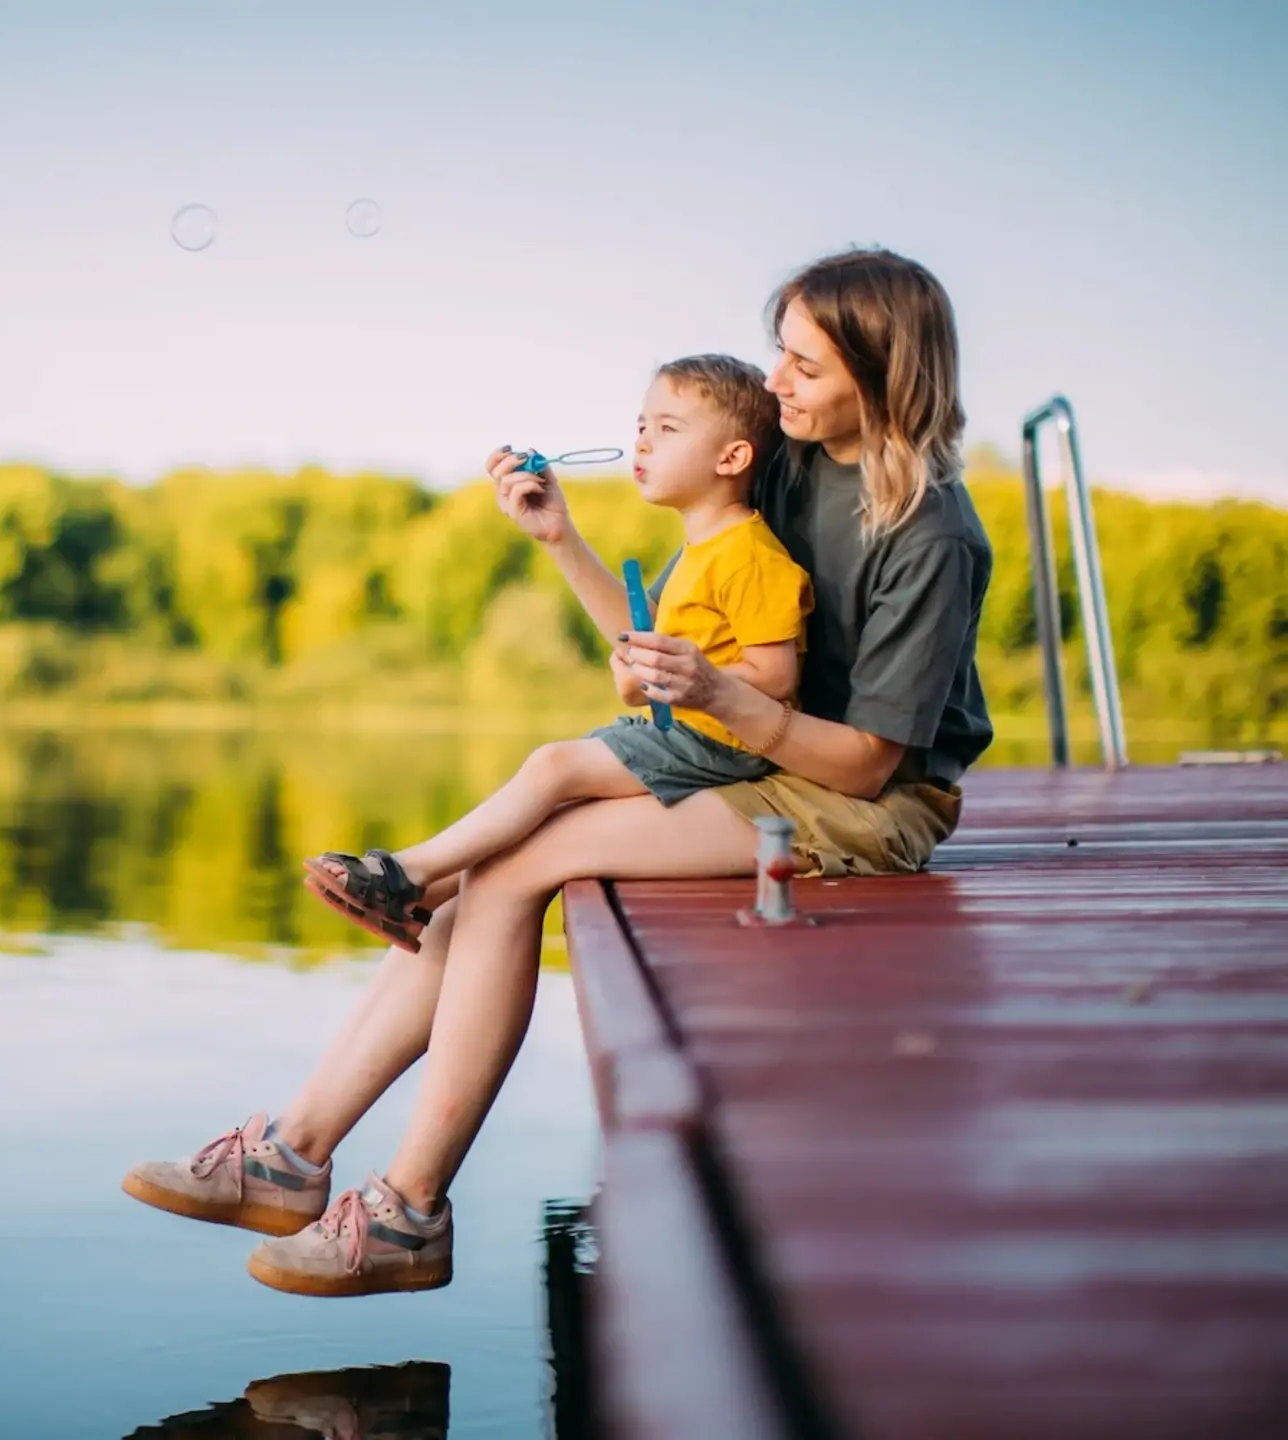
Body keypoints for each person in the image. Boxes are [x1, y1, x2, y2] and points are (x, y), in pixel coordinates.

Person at [120, 248, 995, 1299]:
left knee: (510, 870)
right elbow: (657, 653)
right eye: (780, 354)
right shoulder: (790, 465)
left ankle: (404, 1210)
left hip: (860, 803)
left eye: (805, 365)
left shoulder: (930, 532)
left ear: (886, 370)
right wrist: (562, 540)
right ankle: (293, 1156)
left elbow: (864, 764)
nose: (775, 384)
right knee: (487, 866)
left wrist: (722, 698)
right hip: (745, 750)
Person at [301, 354, 812, 955]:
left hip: (724, 748)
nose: (643, 441)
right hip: (693, 738)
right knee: (555, 792)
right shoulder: (701, 551)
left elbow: (776, 677)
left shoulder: (751, 557)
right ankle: (421, 898)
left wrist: (681, 679)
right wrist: (646, 673)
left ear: (732, 458)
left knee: (553, 768)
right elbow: (661, 661)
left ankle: (405, 873)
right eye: (642, 425)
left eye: (668, 429)